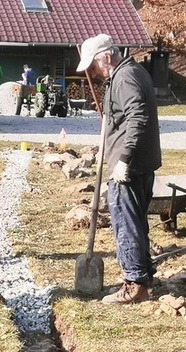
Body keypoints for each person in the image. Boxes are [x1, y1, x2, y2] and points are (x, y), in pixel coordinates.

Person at [77, 35, 162, 305]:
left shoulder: (125, 77)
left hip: (130, 167)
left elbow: (138, 117)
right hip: (139, 164)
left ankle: (134, 285)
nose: (92, 72)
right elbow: (125, 117)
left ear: (106, 57)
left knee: (126, 224)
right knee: (136, 223)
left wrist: (124, 159)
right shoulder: (131, 72)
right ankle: (142, 277)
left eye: (93, 66)